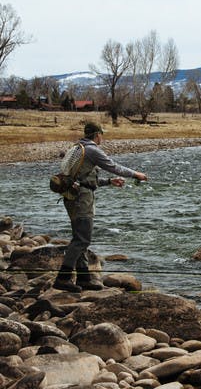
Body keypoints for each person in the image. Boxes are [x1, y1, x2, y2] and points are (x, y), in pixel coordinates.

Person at [53, 122, 148, 292]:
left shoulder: (77, 148)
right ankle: (63, 278)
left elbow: (87, 179)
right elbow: (113, 167)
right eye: (101, 135)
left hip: (71, 196)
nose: (101, 137)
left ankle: (83, 279)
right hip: (81, 200)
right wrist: (136, 174)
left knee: (79, 237)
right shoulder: (92, 150)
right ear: (97, 135)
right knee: (82, 239)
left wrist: (109, 182)